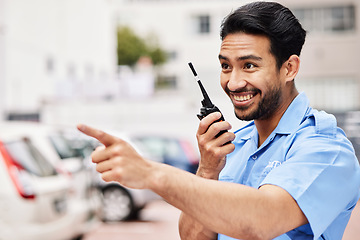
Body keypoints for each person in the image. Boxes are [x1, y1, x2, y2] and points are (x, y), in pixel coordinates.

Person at [77, 1, 360, 239]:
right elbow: (192, 237)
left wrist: (153, 174)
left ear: (289, 68)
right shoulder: (234, 144)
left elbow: (261, 220)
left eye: (249, 65)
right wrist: (208, 171)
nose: (233, 83)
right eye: (226, 66)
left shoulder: (328, 149)